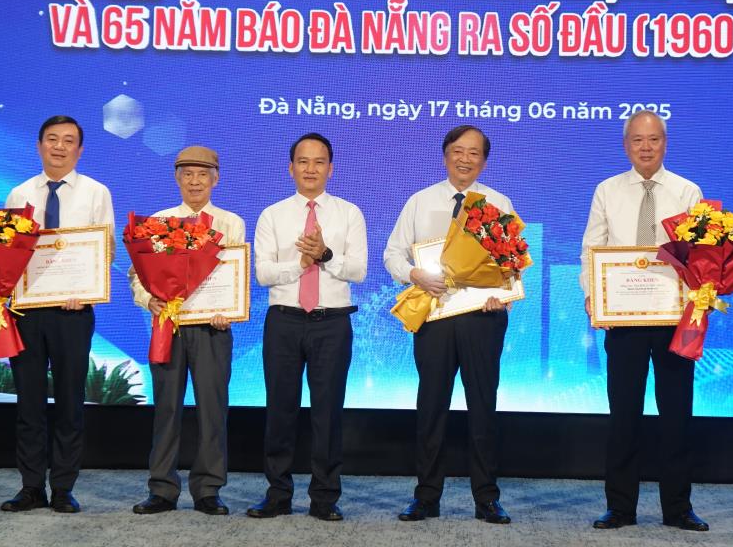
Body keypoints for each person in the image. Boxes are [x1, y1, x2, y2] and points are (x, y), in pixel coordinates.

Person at [580, 110, 709, 532]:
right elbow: (592, 248)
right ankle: (620, 507)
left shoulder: (687, 192)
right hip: (623, 319)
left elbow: (701, 255)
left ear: (665, 143)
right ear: (626, 145)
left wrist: (701, 295)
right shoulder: (607, 190)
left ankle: (678, 508)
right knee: (623, 416)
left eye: (653, 139)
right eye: (638, 140)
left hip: (674, 319)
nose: (646, 147)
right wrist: (592, 295)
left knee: (676, 415)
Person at [383, 125, 514, 525]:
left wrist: (503, 294)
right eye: (458, 151)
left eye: (474, 153)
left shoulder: (498, 202)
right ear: (445, 156)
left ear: (484, 161)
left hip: (482, 318)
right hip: (435, 317)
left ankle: (487, 498)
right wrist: (414, 274)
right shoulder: (420, 202)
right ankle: (426, 496)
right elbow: (392, 254)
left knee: (483, 408)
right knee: (431, 407)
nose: (465, 159)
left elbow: (511, 265)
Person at [248, 133, 367, 522]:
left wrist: (325, 255)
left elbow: (358, 270)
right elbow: (263, 274)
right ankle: (278, 494)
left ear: (331, 169)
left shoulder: (349, 213)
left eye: (319, 162)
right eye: (303, 161)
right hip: (284, 321)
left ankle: (325, 497)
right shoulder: (272, 215)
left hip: (332, 322)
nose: (310, 168)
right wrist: (299, 265)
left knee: (327, 412)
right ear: (291, 168)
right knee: (280, 410)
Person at [1, 115, 114, 514]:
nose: (59, 147)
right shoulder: (19, 193)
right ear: (39, 146)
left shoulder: (96, 192)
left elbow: (105, 249)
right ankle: (31, 486)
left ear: (79, 150)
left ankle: (63, 487)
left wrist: (85, 292)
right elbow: (8, 251)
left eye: (68, 141)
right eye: (52, 139)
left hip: (73, 313)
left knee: (70, 401)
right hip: (27, 311)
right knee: (29, 403)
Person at [129, 146, 246, 516]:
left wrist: (228, 310)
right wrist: (148, 299)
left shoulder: (231, 223)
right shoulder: (158, 221)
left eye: (203, 174)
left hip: (212, 329)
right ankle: (162, 489)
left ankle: (208, 489)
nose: (195, 182)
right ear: (177, 178)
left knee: (213, 409)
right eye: (188, 174)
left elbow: (235, 273)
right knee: (166, 408)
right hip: (170, 325)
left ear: (216, 179)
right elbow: (137, 274)